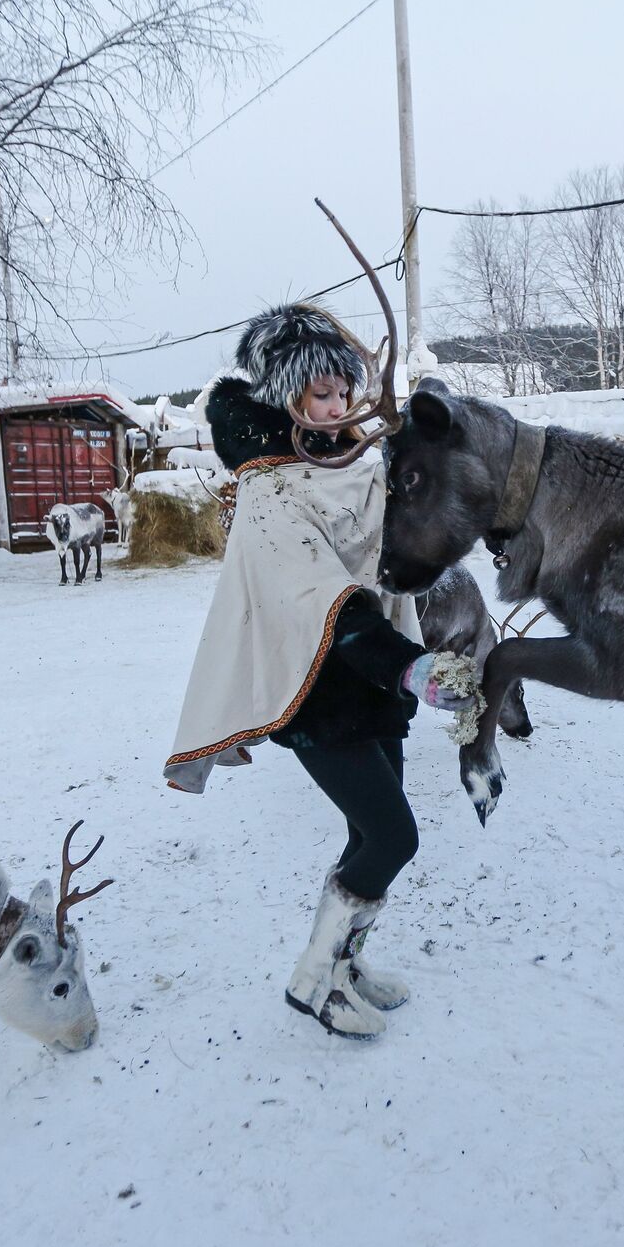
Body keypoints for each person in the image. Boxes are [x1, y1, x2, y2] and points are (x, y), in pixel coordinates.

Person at [163, 303, 472, 1041]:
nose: (337, 407)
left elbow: (385, 542)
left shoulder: (341, 469)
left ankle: (347, 957)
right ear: (288, 396)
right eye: (322, 394)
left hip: (370, 688)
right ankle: (313, 979)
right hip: (313, 695)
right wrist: (413, 667)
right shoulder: (269, 492)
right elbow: (321, 601)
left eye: (343, 392)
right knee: (395, 835)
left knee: (369, 833)